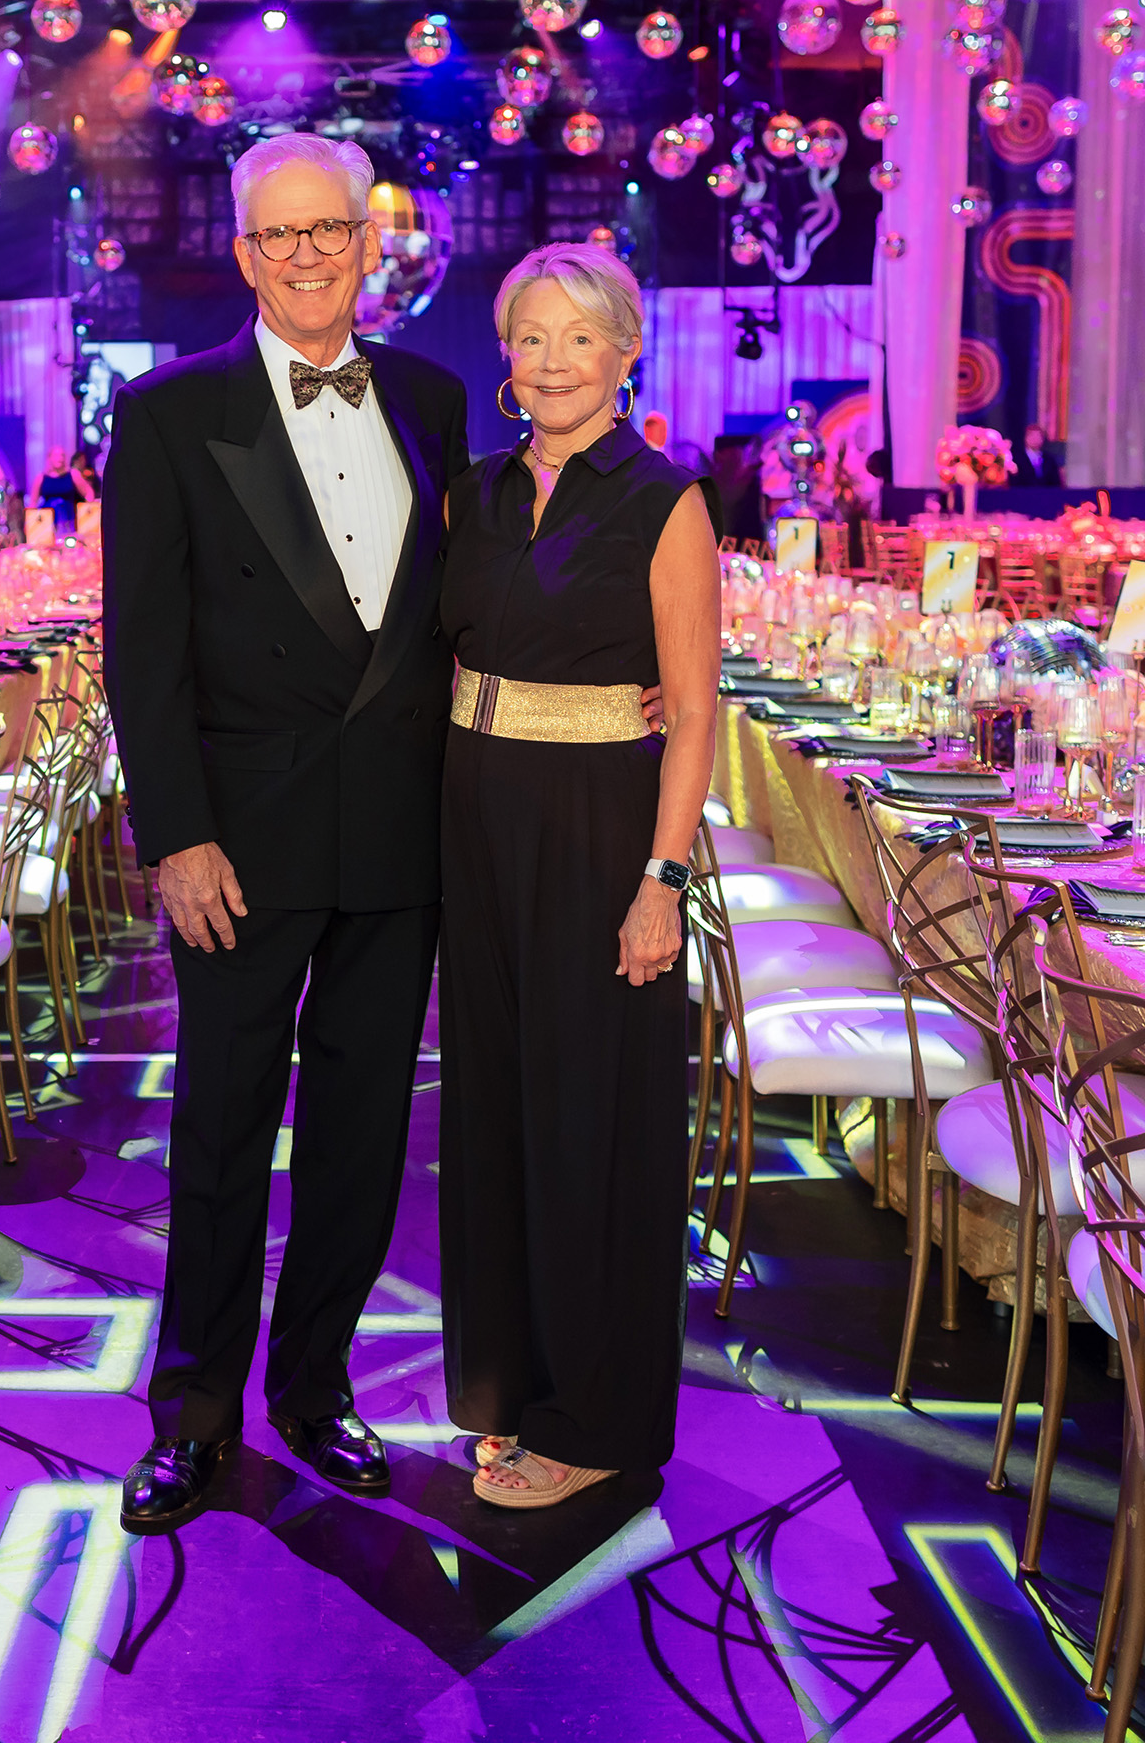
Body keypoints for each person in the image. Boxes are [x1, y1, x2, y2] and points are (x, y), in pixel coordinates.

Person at [102, 133, 469, 1534]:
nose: (310, 254)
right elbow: (144, 655)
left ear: (368, 242)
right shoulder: (170, 414)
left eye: (332, 230)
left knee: (365, 1136)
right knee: (219, 1134)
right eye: (281, 236)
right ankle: (191, 1417)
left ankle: (315, 1390)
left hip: (397, 841)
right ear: (245, 251)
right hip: (239, 849)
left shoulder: (434, 400)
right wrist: (176, 836)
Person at [438, 241, 720, 1510]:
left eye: (579, 337)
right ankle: (509, 1386)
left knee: (592, 1122)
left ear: (625, 353)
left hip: (601, 826)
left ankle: (599, 1418)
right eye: (529, 336)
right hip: (475, 819)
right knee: (496, 1114)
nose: (551, 360)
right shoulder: (477, 493)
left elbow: (698, 710)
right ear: (507, 356)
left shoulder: (666, 501)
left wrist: (662, 878)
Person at [34, 445, 84, 529]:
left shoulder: (73, 474)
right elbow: (33, 501)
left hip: (70, 519)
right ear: (49, 458)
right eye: (56, 455)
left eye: (62, 455)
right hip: (48, 522)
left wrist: (87, 512)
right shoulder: (41, 478)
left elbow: (88, 493)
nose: (60, 458)